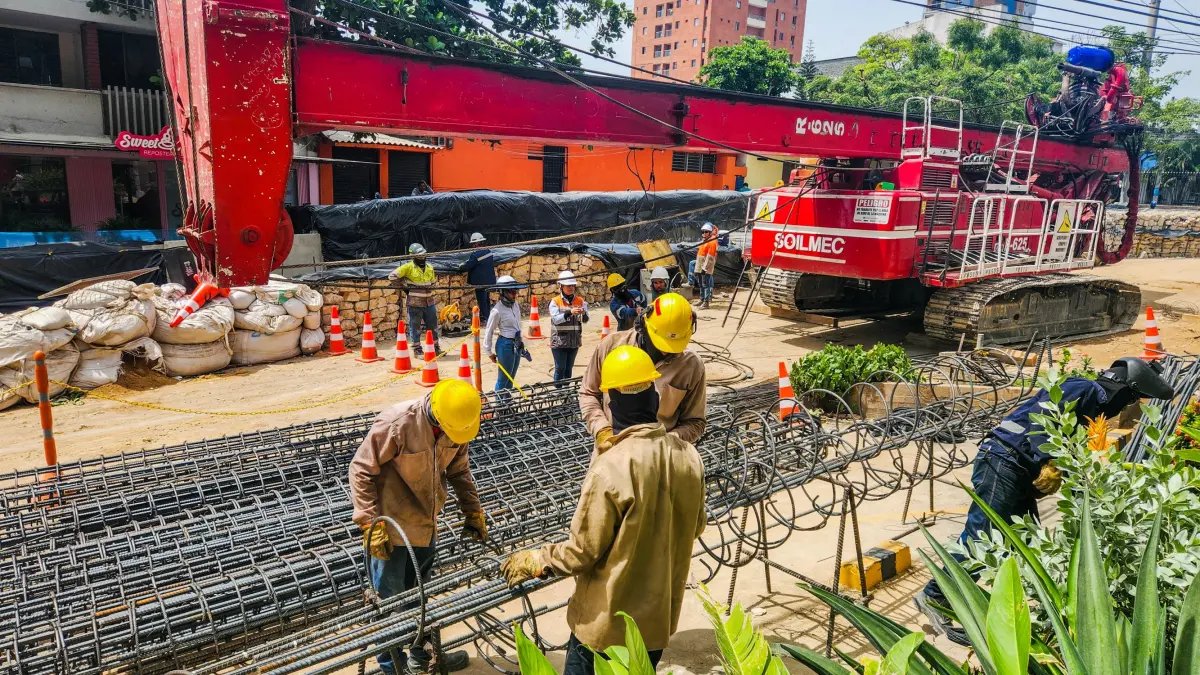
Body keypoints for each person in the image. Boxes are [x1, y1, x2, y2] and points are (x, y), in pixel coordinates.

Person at [915, 357, 1175, 645]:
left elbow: (1062, 444)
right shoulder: (1084, 389)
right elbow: (1046, 414)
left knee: (1026, 539)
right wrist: (1046, 460)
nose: (1127, 407)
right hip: (1002, 460)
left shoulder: (1089, 408)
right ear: (1124, 389)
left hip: (1014, 467)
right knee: (982, 536)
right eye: (1132, 399)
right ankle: (934, 595)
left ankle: (1003, 606)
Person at [500, 345, 706, 675]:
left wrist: (540, 559)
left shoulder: (610, 468)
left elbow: (582, 551)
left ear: (612, 403)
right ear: (653, 401)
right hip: (653, 628)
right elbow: (695, 527)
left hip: (604, 627)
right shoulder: (689, 457)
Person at [350, 379, 488, 674]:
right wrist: (369, 524)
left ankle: (422, 657)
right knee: (390, 604)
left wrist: (472, 511)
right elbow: (361, 469)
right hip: (390, 532)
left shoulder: (457, 425)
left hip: (426, 526)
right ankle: (392, 667)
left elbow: (459, 471)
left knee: (420, 597)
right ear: (437, 414)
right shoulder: (398, 424)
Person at [581, 292, 706, 452]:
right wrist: (602, 430)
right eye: (661, 346)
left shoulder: (691, 365)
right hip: (611, 450)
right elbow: (588, 393)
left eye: (674, 346)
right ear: (642, 326)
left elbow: (695, 421)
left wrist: (667, 442)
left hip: (662, 458)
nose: (667, 353)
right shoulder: (612, 347)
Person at [390, 243, 439, 355]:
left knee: (433, 325)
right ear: (413, 256)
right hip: (415, 303)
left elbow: (432, 282)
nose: (422, 257)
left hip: (429, 302)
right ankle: (417, 349)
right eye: (419, 255)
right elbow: (392, 276)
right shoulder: (408, 267)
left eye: (423, 255)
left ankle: (435, 347)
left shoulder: (430, 267)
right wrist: (404, 288)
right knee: (415, 326)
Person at [481, 275, 527, 392]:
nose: (514, 294)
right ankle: (499, 404)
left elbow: (518, 324)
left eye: (515, 291)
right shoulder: (497, 310)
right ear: (503, 292)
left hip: (516, 343)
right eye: (511, 292)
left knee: (511, 378)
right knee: (503, 378)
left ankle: (507, 403)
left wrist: (521, 342)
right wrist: (489, 351)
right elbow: (489, 331)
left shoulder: (515, 305)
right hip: (505, 345)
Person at [549, 271, 590, 382]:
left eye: (572, 285)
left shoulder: (580, 301)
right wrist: (570, 312)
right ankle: (558, 392)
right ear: (561, 286)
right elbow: (556, 320)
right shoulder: (555, 302)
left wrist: (583, 313)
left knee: (568, 369)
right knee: (560, 368)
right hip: (559, 342)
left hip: (574, 342)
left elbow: (585, 320)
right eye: (568, 285)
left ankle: (566, 395)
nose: (571, 288)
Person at [464, 232, 496, 322]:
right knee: (486, 299)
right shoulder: (488, 252)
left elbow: (468, 266)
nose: (472, 246)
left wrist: (461, 265)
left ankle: (486, 318)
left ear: (476, 244)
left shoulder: (475, 255)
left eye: (473, 244)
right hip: (489, 281)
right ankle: (487, 316)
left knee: (482, 301)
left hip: (480, 282)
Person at [694, 223, 718, 309]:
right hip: (700, 265)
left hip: (705, 267)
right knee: (701, 284)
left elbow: (710, 257)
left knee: (706, 285)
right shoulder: (705, 240)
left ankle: (706, 302)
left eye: (706, 232)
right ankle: (701, 299)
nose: (704, 233)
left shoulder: (712, 242)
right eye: (703, 232)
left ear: (710, 232)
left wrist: (705, 268)